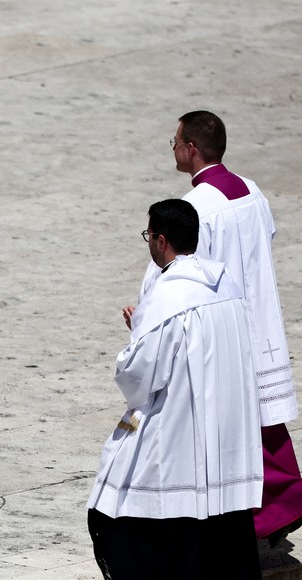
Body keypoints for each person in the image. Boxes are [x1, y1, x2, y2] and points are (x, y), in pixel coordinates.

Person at [89, 199, 263, 579]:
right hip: (226, 432)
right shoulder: (227, 284)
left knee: (123, 509)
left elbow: (137, 377)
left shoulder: (167, 298)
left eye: (148, 235)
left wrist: (136, 337)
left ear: (161, 240)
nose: (149, 242)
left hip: (179, 430)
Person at [167, 110, 302, 545]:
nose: (173, 148)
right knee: (261, 419)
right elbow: (265, 239)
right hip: (261, 316)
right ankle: (274, 505)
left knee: (230, 421)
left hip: (225, 324)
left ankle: (273, 506)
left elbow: (192, 270)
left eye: (175, 141)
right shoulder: (251, 191)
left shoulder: (196, 207)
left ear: (191, 148)